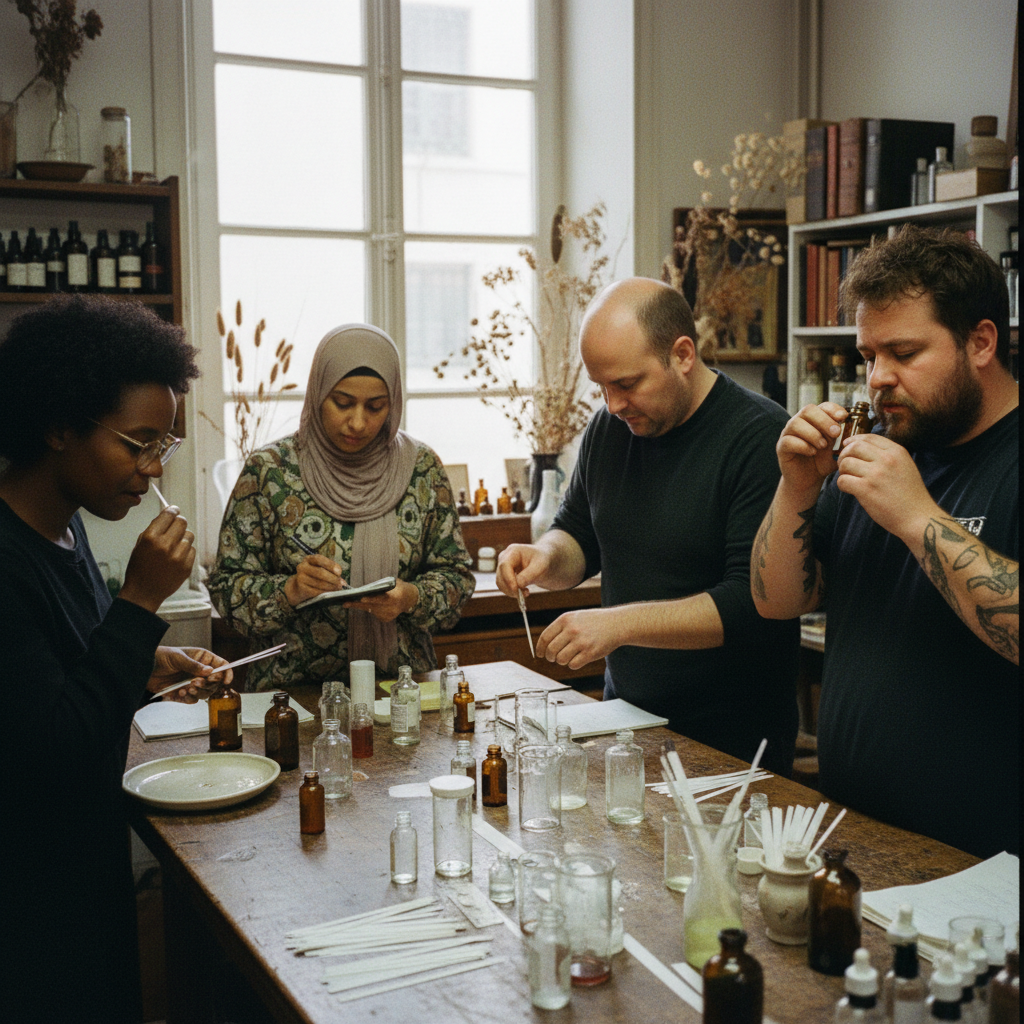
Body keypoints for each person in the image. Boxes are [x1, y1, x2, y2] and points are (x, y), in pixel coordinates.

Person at [750, 226, 1018, 858]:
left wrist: (918, 517)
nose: (878, 379)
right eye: (870, 356)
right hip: (854, 830)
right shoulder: (880, 448)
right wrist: (794, 489)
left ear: (981, 341)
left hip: (982, 858)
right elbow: (778, 600)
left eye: (904, 352)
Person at [0, 296, 231, 1023]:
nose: (152, 469)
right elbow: (55, 747)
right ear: (58, 425)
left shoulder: (64, 537)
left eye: (163, 446)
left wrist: (153, 664)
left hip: (85, 871)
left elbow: (73, 673)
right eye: (137, 444)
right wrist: (138, 603)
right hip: (33, 904)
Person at [496, 278, 800, 774]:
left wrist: (618, 625)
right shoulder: (610, 427)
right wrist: (545, 558)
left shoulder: (759, 439)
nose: (613, 404)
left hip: (733, 742)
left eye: (627, 384)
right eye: (602, 387)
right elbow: (577, 533)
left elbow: (752, 605)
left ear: (682, 354)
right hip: (626, 724)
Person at [208, 323, 475, 689]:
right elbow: (226, 588)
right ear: (318, 393)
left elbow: (457, 578)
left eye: (376, 406)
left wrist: (411, 597)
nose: (358, 422)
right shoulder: (270, 471)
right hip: (293, 698)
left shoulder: (421, 469)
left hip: (400, 695)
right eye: (343, 403)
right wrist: (291, 591)